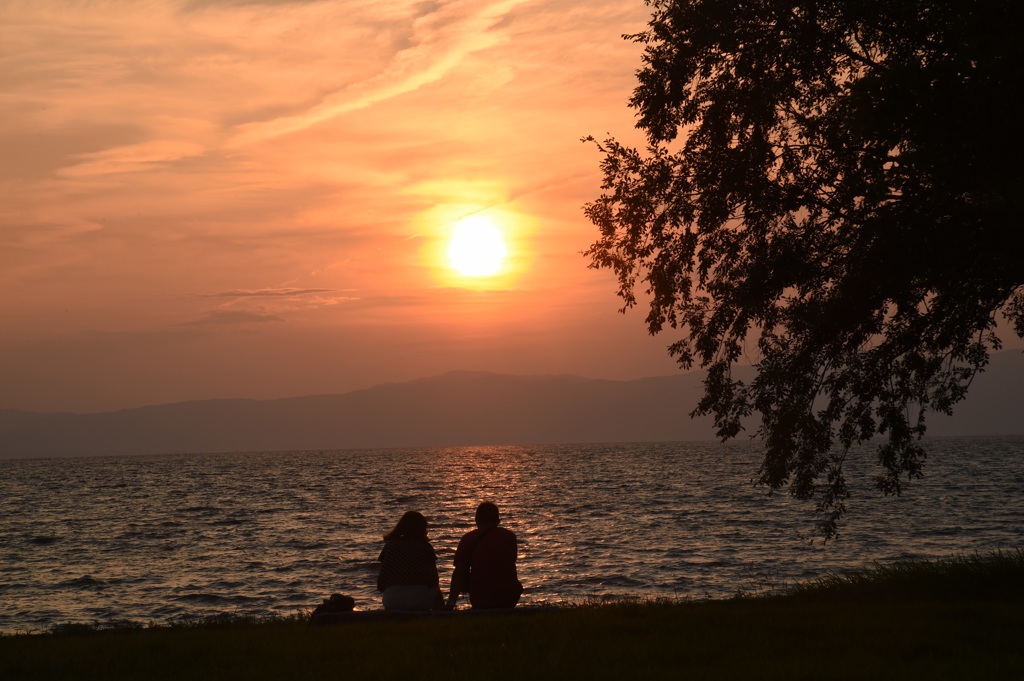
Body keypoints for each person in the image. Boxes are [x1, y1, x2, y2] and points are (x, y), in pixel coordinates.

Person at [445, 501, 523, 610]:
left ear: (476, 520)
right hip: (509, 596)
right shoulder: (509, 536)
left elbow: (459, 572)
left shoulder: (468, 539)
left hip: (481, 597)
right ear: (498, 521)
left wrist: (451, 602)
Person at [376, 511, 443, 611]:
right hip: (419, 601)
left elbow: (381, 582)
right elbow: (433, 579)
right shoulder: (425, 547)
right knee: (436, 590)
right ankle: (440, 617)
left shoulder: (390, 546)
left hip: (392, 601)